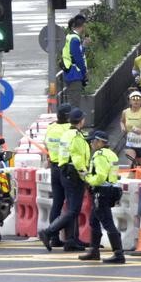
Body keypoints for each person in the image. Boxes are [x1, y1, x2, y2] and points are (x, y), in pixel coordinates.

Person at [39, 108, 89, 252]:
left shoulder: (63, 133)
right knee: (73, 209)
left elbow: (49, 146)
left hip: (61, 169)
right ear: (81, 121)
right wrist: (85, 175)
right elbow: (78, 158)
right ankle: (49, 232)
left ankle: (69, 240)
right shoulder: (75, 136)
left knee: (62, 205)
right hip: (73, 173)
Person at [79, 130, 126, 264]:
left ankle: (118, 253)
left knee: (107, 222)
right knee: (94, 220)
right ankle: (94, 250)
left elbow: (100, 177)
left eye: (93, 141)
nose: (91, 144)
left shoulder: (99, 155)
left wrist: (87, 178)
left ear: (100, 142)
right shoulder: (111, 154)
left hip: (102, 191)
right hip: (110, 190)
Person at [42, 104, 73, 247]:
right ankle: (71, 238)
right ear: (68, 116)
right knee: (71, 205)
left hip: (54, 167)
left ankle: (54, 238)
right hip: (67, 168)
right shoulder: (69, 129)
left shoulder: (51, 127)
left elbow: (46, 145)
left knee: (57, 204)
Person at [119, 90, 141, 168]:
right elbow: (122, 121)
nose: (136, 101)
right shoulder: (125, 112)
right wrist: (123, 127)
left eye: (138, 99)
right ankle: (133, 169)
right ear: (130, 101)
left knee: (140, 167)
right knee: (132, 166)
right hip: (130, 143)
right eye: (134, 99)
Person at [60, 15, 89, 101]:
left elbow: (74, 54)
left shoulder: (69, 36)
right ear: (82, 26)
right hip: (75, 74)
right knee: (74, 103)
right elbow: (78, 59)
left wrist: (84, 46)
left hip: (69, 73)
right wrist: (84, 73)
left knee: (72, 101)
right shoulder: (75, 39)